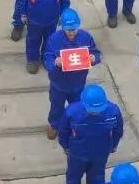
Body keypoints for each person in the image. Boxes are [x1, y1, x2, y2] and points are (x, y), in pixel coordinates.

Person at [58, 85, 123, 184]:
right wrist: (65, 146)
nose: (95, 112)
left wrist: (114, 144)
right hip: (77, 152)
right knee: (73, 174)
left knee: (97, 175)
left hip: (101, 152)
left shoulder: (113, 111)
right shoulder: (72, 112)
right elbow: (63, 131)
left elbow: (118, 130)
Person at [42, 8, 101, 139]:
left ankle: (75, 126)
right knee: (56, 107)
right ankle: (54, 125)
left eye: (74, 29)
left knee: (77, 108)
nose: (72, 33)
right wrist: (55, 62)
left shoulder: (86, 37)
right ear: (62, 27)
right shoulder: (54, 39)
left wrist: (94, 58)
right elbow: (47, 58)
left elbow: (96, 52)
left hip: (78, 83)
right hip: (58, 84)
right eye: (68, 30)